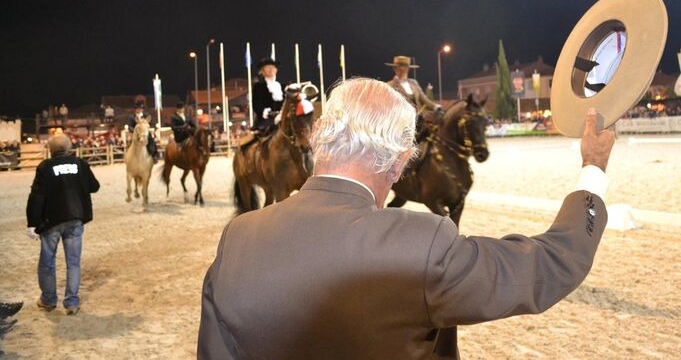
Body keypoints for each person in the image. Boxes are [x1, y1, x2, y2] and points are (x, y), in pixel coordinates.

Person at [198, 78, 615, 359]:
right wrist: (593, 168)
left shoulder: (238, 236)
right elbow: (550, 264)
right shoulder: (423, 243)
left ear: (318, 136)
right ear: (399, 163)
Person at [26, 134, 101, 315]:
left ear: (50, 150)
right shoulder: (80, 164)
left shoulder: (45, 167)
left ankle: (48, 300)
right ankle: (72, 302)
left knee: (47, 262)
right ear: (69, 148)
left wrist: (32, 222)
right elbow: (95, 186)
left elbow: (37, 196)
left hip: (51, 221)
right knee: (73, 262)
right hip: (75, 218)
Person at [251, 57, 284, 134]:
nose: (271, 69)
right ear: (262, 71)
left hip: (282, 117)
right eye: (268, 67)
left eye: (273, 67)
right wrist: (269, 114)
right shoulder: (258, 86)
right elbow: (256, 106)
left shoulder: (281, 86)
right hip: (265, 120)